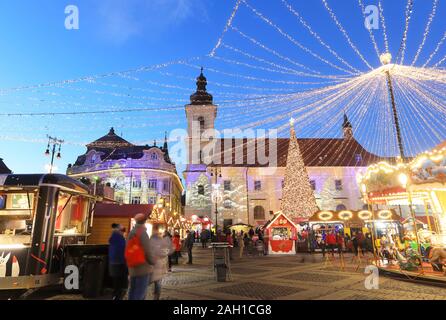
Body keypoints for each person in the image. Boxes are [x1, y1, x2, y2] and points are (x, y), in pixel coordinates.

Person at [126, 214, 153, 300]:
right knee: (140, 292)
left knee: (132, 290)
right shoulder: (142, 233)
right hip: (142, 267)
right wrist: (152, 261)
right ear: (145, 222)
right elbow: (148, 250)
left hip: (132, 266)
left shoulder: (132, 232)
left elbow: (127, 248)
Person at [149, 225, 172, 300]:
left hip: (153, 266)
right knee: (157, 282)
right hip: (159, 266)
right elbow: (165, 253)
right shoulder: (162, 242)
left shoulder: (151, 241)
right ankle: (156, 297)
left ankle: (155, 296)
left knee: (153, 281)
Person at [108, 223, 128, 300]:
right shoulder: (118, 238)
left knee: (117, 281)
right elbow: (120, 250)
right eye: (122, 230)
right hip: (118, 262)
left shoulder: (115, 237)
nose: (123, 232)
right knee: (118, 282)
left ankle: (116, 295)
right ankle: (117, 296)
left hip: (115, 262)